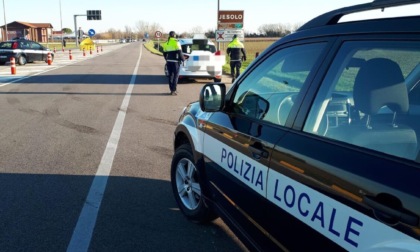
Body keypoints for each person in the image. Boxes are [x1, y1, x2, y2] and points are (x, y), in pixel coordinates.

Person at [163, 31, 184, 95]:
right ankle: (174, 90)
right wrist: (183, 59)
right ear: (174, 35)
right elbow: (180, 53)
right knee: (175, 76)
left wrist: (166, 59)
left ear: (169, 35)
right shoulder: (176, 42)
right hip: (175, 62)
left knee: (170, 76)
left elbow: (164, 53)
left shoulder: (166, 43)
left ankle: (171, 89)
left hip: (169, 62)